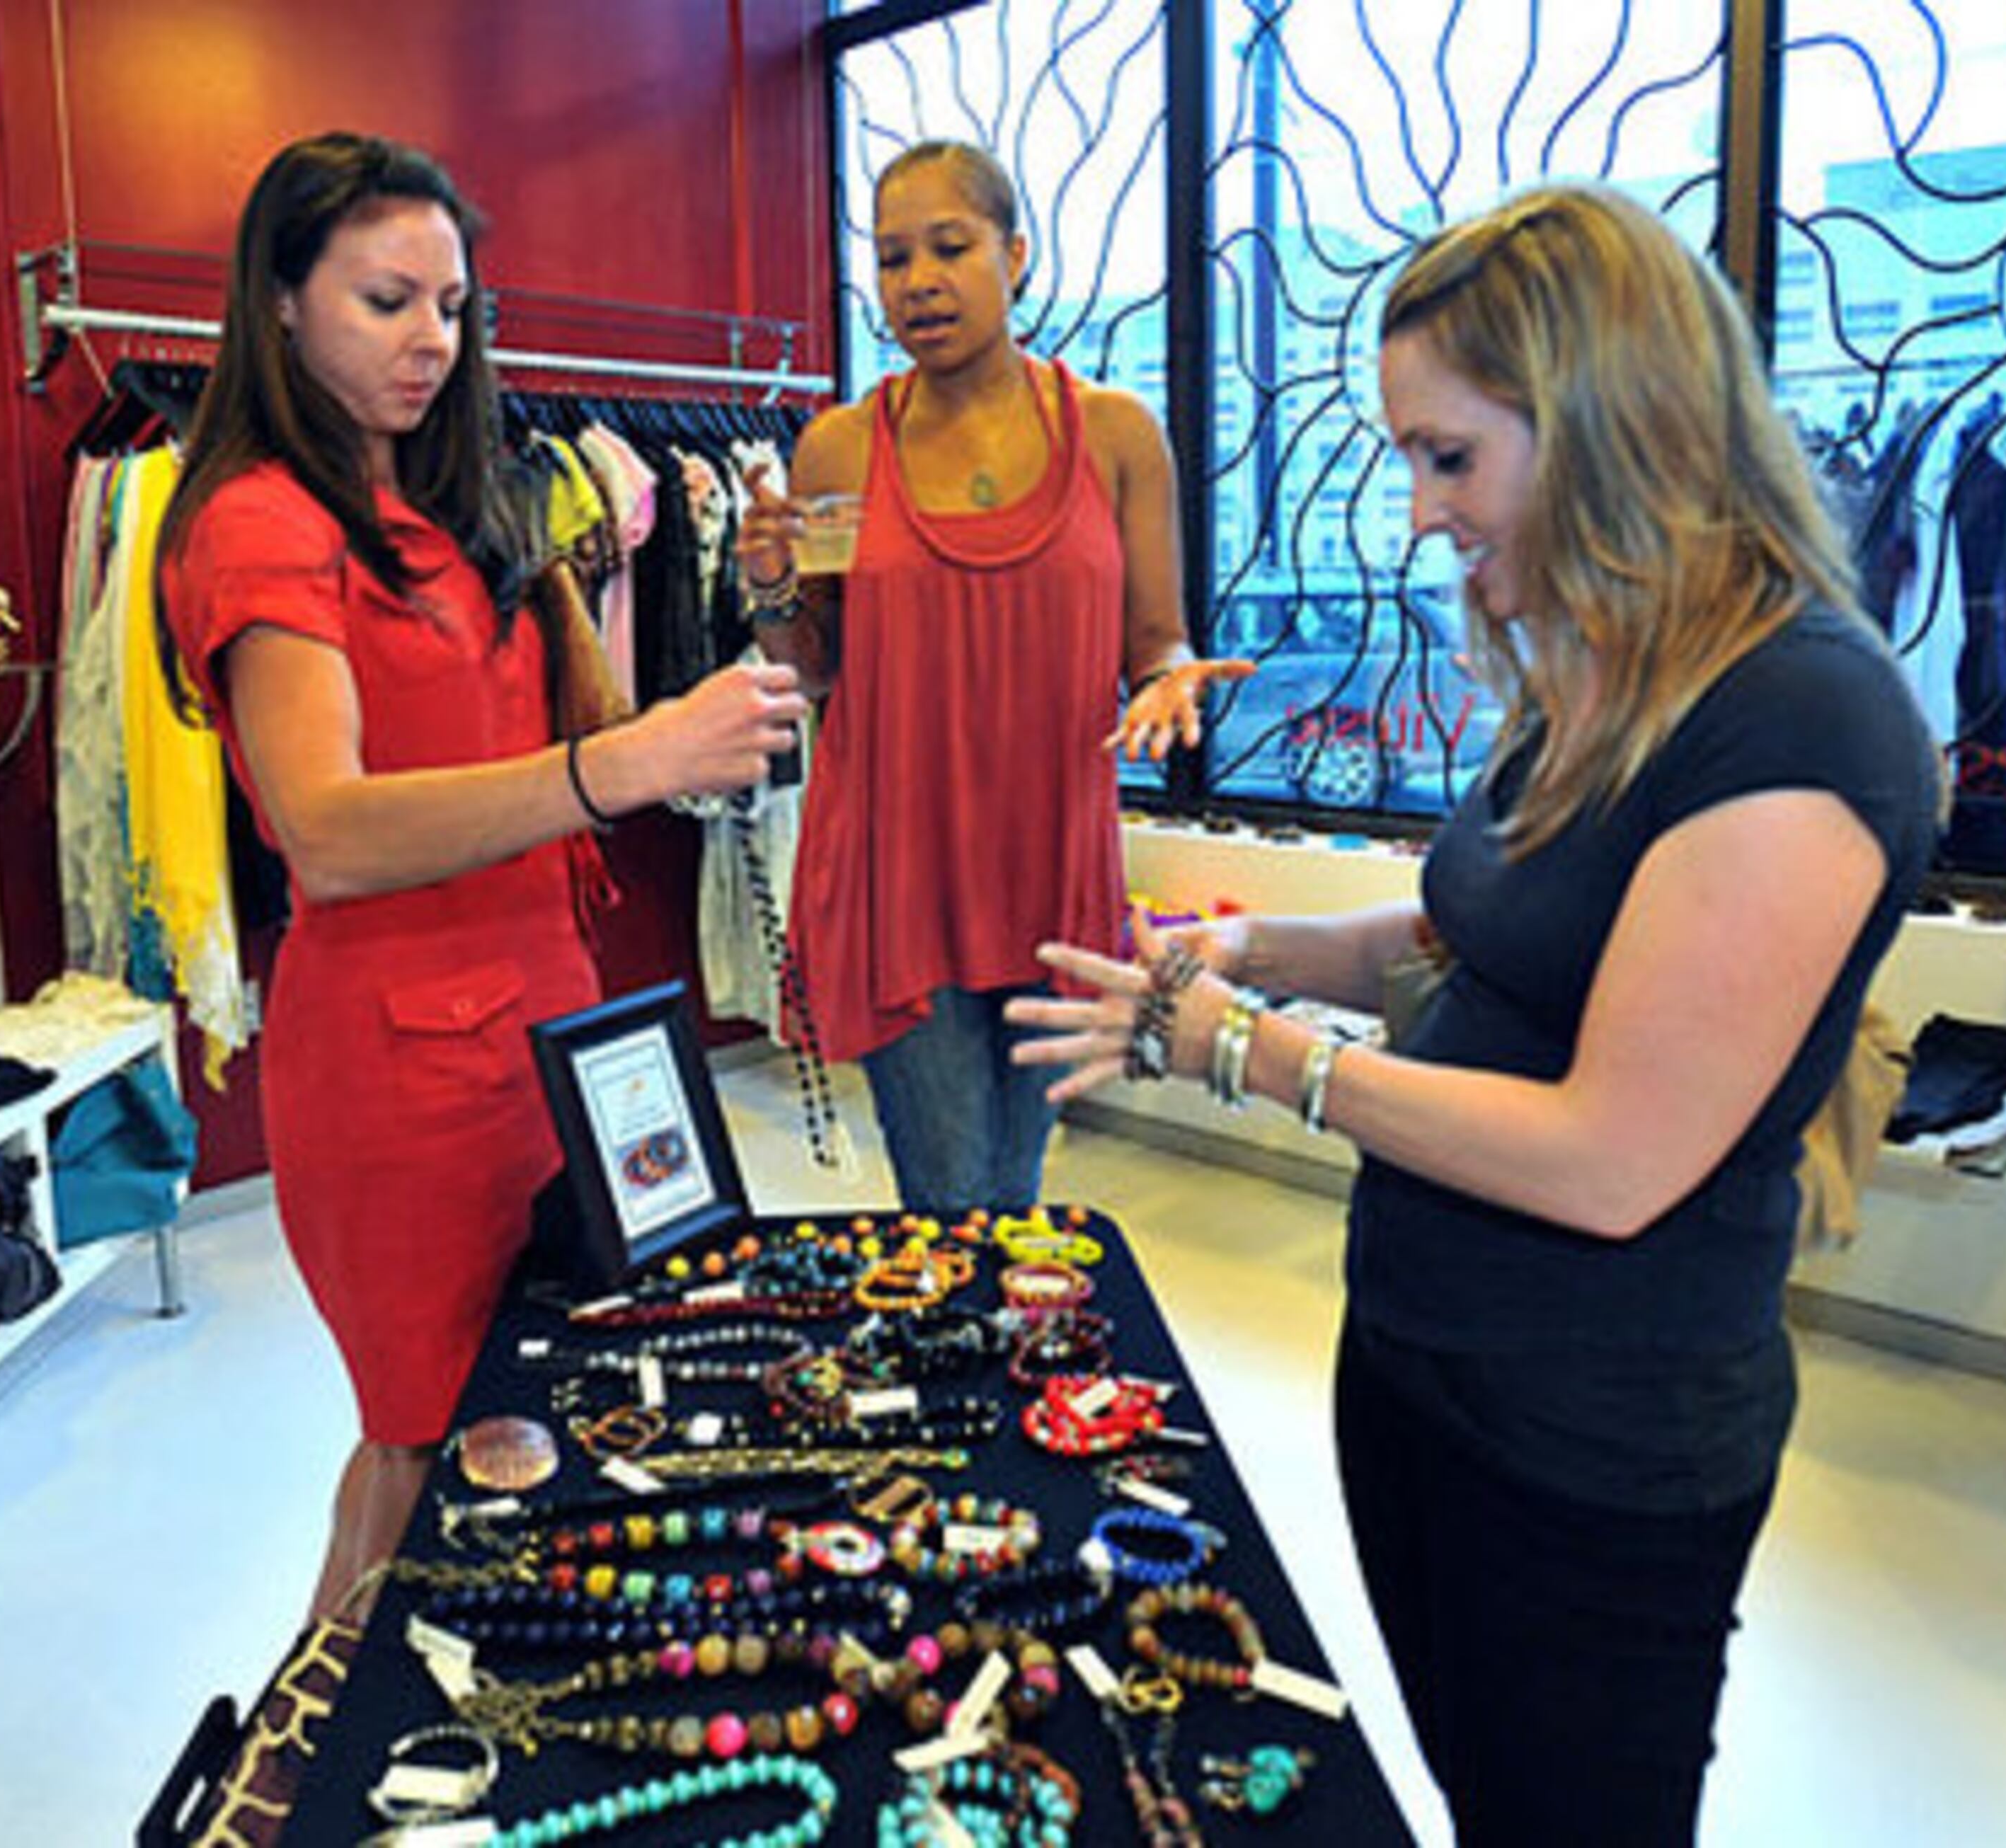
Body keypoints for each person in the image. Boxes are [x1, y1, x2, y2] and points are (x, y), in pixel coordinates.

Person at [1009, 182, 1943, 1847]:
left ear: (1605, 420)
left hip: (1596, 1437)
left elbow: (1609, 1157)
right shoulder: (1604, 663)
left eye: (1453, 457)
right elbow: (1472, 936)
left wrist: (1248, 1054)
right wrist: (1243, 952)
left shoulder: (1802, 716)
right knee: (1469, 1785)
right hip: (1427, 1360)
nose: (1425, 512)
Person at [154, 132, 806, 1630]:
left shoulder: (458, 506)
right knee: (424, 1447)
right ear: (279, 305)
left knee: (507, 1427)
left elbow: (553, 745)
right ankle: (304, 1776)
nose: (431, 341)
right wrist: (624, 764)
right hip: (401, 1079)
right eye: (386, 300)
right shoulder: (262, 521)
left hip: (549, 1041)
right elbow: (325, 826)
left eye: (451, 304)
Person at [733, 137, 1246, 1214]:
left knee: (1010, 1189)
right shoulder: (836, 450)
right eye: (893, 258)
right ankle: (978, 1370)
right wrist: (773, 587)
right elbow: (814, 672)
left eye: (949, 248)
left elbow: (1157, 634)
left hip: (1051, 868)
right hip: (895, 878)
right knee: (958, 1197)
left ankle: (988, 1372)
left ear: (1015, 254)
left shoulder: (1114, 435)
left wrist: (1168, 680)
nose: (918, 282)